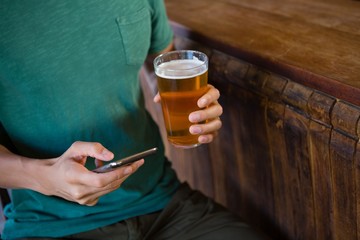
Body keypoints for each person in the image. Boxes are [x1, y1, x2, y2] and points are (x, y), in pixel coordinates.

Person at [0, 1, 266, 239]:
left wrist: (194, 108)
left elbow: (161, 63)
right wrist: (45, 177)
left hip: (166, 204)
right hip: (50, 224)